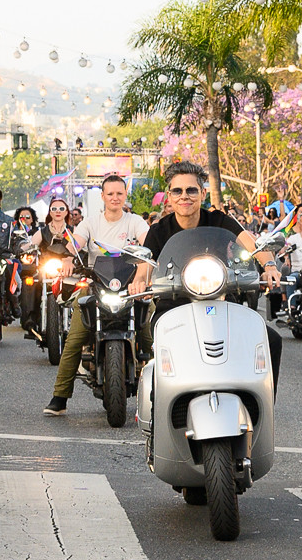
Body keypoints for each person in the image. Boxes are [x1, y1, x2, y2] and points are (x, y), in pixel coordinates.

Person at [129, 159, 282, 377]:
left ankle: (259, 398)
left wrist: (269, 265)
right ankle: (160, 396)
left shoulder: (218, 220)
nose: (184, 196)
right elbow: (145, 266)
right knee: (164, 349)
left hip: (221, 300)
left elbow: (252, 244)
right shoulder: (159, 230)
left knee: (271, 340)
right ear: (169, 196)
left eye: (191, 190)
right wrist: (139, 282)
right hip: (175, 304)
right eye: (177, 191)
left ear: (202, 193)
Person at [44, 173, 148, 415]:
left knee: (152, 330)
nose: (115, 197)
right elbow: (75, 244)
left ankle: (161, 394)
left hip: (130, 288)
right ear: (102, 196)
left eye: (119, 193)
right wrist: (68, 258)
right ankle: (60, 396)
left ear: (125, 195)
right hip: (96, 286)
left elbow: (148, 246)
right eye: (110, 193)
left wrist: (143, 278)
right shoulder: (90, 223)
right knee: (74, 339)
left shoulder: (136, 222)